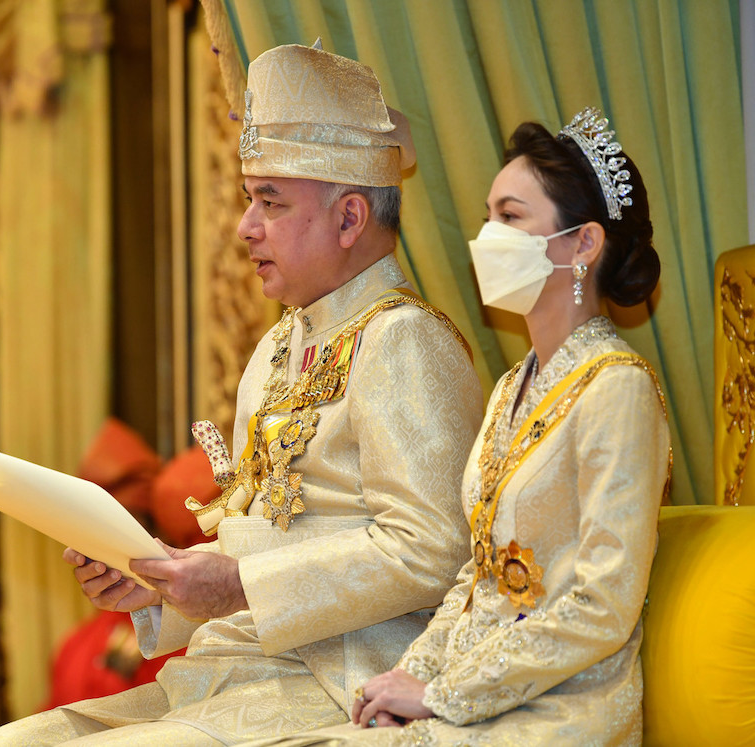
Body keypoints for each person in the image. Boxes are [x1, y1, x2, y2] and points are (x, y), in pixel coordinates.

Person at [0, 42, 483, 746]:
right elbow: (257, 537)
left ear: (350, 218)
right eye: (248, 199)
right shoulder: (276, 349)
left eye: (270, 201)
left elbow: (435, 549)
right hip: (228, 675)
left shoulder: (405, 341)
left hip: (336, 687)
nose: (246, 227)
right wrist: (160, 585)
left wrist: (239, 585)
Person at [241, 108, 672, 746]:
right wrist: (403, 680)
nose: (487, 235)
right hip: (471, 698)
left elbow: (603, 608)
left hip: (562, 711)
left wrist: (445, 693)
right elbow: (476, 573)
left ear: (583, 244)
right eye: (489, 215)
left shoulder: (619, 388)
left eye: (511, 216)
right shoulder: (509, 390)